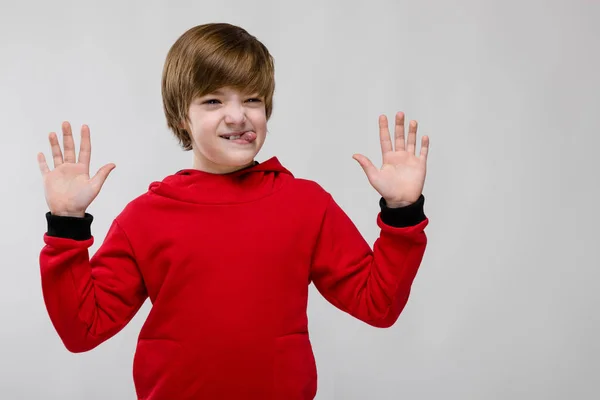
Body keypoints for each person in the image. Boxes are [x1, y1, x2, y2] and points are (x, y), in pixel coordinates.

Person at [37, 23, 430, 400]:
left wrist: (401, 211)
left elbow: (377, 304)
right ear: (181, 118)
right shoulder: (144, 218)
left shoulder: (305, 204)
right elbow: (83, 330)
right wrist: (67, 226)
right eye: (213, 100)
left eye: (253, 99)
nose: (238, 116)